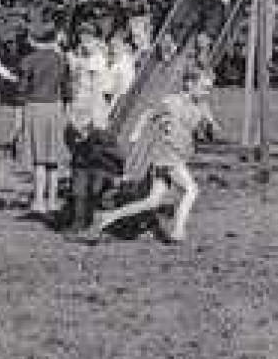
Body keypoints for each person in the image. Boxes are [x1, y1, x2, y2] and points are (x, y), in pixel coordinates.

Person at [89, 67, 219, 243]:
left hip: (179, 155)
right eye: (204, 88)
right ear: (189, 84)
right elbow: (148, 114)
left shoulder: (202, 106)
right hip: (167, 155)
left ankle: (106, 218)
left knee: (152, 201)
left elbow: (210, 128)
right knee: (191, 189)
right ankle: (178, 231)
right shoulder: (171, 102)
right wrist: (136, 133)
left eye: (209, 89)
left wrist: (211, 128)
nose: (206, 93)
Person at [16, 18, 70, 219]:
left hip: (35, 107)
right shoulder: (61, 59)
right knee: (53, 158)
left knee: (39, 158)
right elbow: (67, 89)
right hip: (55, 108)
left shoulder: (28, 61)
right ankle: (52, 200)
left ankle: (38, 201)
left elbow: (21, 90)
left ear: (32, 39)